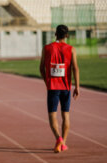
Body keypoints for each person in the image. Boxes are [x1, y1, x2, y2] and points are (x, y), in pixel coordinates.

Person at [39, 24, 80, 153]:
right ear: (67, 35)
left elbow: (41, 68)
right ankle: (63, 143)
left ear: (55, 34)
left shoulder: (46, 48)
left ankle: (58, 139)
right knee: (65, 115)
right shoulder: (71, 49)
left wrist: (47, 82)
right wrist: (77, 86)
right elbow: (75, 68)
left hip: (53, 87)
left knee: (52, 115)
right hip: (66, 87)